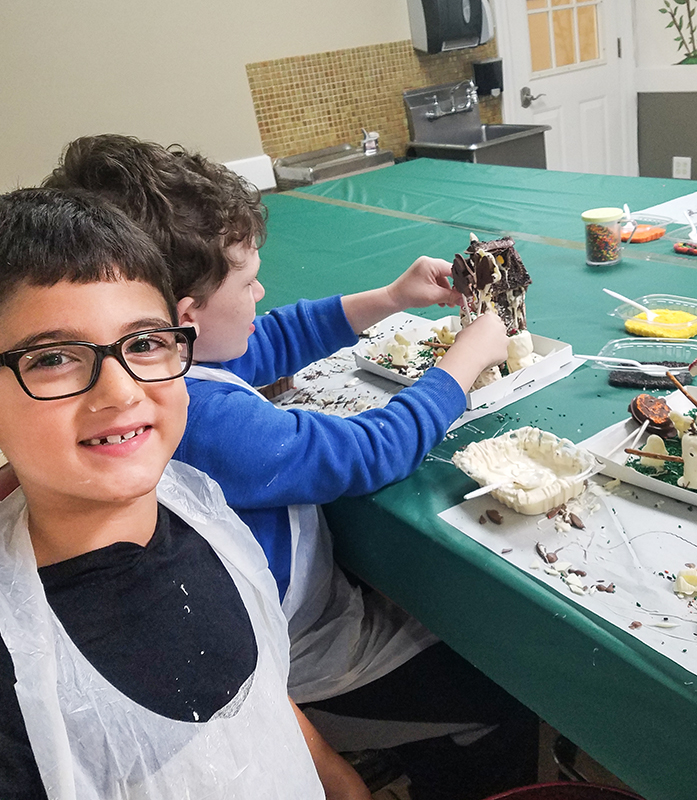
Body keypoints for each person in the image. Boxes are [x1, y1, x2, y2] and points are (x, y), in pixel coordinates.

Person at [45, 135, 541, 800]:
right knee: (506, 690)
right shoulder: (200, 419)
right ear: (186, 318)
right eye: (249, 281)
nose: (263, 291)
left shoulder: (152, 364)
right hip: (302, 663)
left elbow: (267, 339)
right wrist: (464, 361)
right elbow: (369, 452)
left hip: (294, 616)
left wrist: (390, 297)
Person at [0, 187, 371, 800]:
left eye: (144, 343)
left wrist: (342, 783)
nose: (121, 392)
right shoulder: (20, 672)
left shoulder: (196, 505)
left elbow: (259, 697)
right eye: (54, 358)